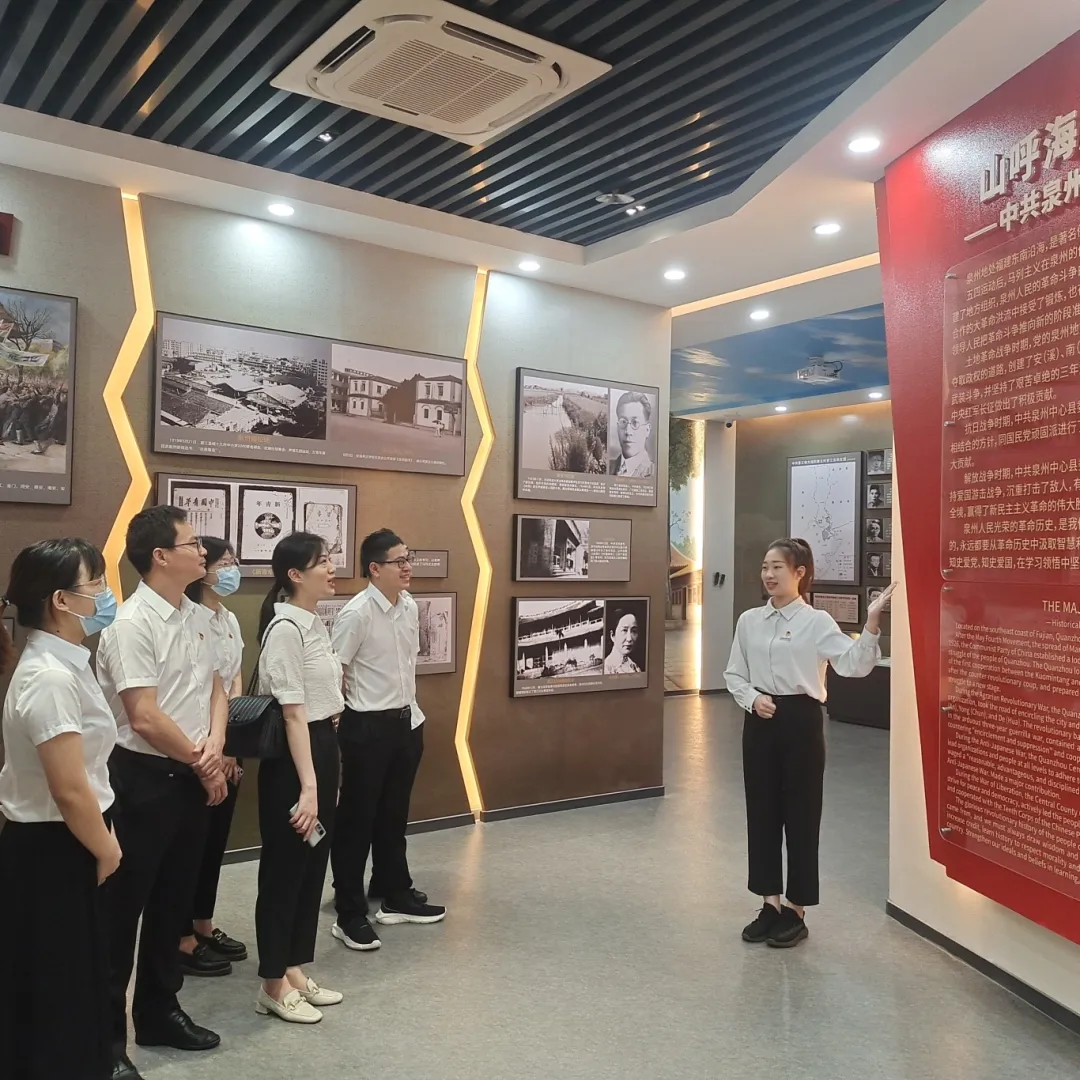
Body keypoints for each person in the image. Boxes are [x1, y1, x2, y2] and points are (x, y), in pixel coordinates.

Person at [96, 506, 229, 1078]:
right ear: (160, 556)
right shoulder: (132, 623)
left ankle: (159, 1012)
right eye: (192, 544)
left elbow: (217, 687)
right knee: (121, 911)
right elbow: (144, 717)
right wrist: (204, 763)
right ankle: (104, 1042)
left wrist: (215, 748)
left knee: (174, 901)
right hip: (143, 779)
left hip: (193, 774)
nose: (203, 553)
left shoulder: (196, 615)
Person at [724, 538, 894, 949]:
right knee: (761, 813)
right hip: (759, 721)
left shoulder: (816, 622)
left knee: (801, 816)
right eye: (765, 567)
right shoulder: (749, 620)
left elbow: (853, 665)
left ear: (800, 573)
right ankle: (769, 903)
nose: (768, 574)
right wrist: (752, 699)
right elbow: (734, 673)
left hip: (800, 721)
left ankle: (796, 910)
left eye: (778, 567)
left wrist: (871, 623)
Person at [0, 539, 120, 1080]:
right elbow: (69, 789)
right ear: (61, 600)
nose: (105, 593)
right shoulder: (49, 675)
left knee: (75, 976)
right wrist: (107, 849)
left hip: (73, 835)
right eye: (95, 583)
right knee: (57, 984)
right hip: (54, 845)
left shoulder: (68, 662)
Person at [330, 528, 445, 953]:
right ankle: (349, 913)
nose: (408, 566)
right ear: (375, 568)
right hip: (367, 727)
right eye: (400, 561)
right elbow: (334, 668)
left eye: (409, 558)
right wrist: (339, 719)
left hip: (406, 723)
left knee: (394, 816)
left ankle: (394, 892)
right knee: (356, 822)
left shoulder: (409, 605)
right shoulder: (357, 613)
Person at [254, 532, 344, 1024]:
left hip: (320, 749)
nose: (332, 568)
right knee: (285, 871)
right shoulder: (286, 628)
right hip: (294, 763)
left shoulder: (313, 624)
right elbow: (292, 714)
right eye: (322, 562)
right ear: (295, 574)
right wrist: (309, 788)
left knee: (312, 866)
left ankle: (293, 968)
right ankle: (271, 983)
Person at [178, 537, 247, 977]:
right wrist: (211, 749)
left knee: (215, 843)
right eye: (224, 562)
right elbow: (195, 692)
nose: (231, 568)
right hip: (196, 751)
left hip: (226, 744)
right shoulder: (188, 619)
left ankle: (203, 923)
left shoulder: (229, 618)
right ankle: (181, 933)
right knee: (189, 848)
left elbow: (233, 681)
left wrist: (230, 746)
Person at [609, 391, 654, 478]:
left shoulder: (655, 474)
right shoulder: (607, 467)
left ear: (647, 430)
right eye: (623, 422)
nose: (628, 431)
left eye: (635, 423)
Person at [603, 609, 642, 674]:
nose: (629, 639)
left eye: (634, 631)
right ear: (612, 635)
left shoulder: (635, 666)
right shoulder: (606, 667)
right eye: (624, 630)